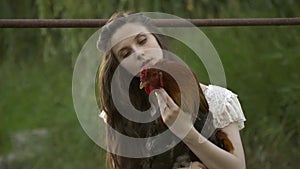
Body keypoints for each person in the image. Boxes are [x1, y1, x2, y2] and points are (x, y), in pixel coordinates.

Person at [97, 12, 246, 169]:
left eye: (142, 41)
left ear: (157, 39)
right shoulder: (123, 114)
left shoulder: (218, 100)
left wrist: (188, 133)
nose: (139, 53)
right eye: (126, 54)